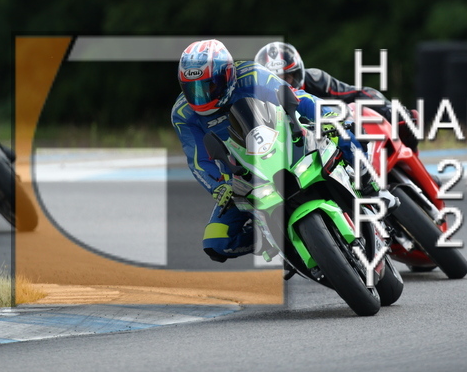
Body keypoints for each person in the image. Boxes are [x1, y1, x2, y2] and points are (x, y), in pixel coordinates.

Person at [171, 39, 389, 263]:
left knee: (343, 131)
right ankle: (267, 238)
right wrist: (218, 187)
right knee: (215, 242)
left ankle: (371, 187)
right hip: (241, 175)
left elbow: (296, 96)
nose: (201, 96)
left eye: (209, 86)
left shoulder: (251, 74)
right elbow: (198, 159)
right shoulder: (183, 114)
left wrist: (326, 115)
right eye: (192, 89)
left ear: (227, 75)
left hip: (284, 143)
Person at [254, 42, 419, 152]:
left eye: (287, 78)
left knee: (403, 124)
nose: (283, 86)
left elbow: (356, 93)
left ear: (298, 73)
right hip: (300, 156)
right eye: (275, 81)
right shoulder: (257, 105)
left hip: (340, 142)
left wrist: (389, 109)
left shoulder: (315, 80)